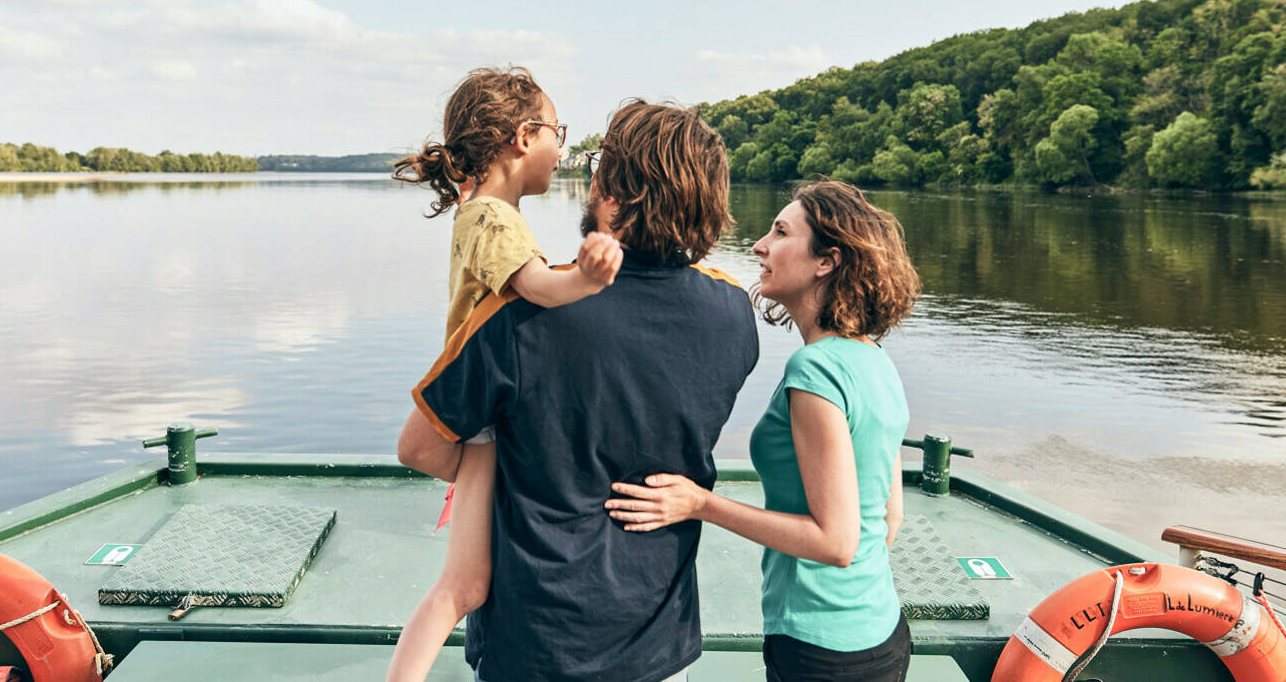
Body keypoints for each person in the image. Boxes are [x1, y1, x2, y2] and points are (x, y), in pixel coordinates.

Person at [396, 100, 758, 682]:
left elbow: (419, 449)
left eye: (597, 172)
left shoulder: (519, 316)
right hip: (658, 649)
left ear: (615, 198)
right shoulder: (735, 315)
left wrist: (491, 464)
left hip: (534, 648)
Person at [607, 180, 922, 682]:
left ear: (826, 261)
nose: (759, 245)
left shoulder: (814, 372)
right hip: (881, 631)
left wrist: (698, 504)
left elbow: (836, 543)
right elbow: (891, 516)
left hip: (821, 650)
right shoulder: (874, 359)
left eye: (780, 232)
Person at [385, 66, 625, 682]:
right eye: (557, 131)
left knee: (465, 585)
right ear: (524, 137)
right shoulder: (491, 218)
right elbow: (535, 287)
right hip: (485, 420)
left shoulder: (483, 210)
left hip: (480, 418)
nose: (562, 147)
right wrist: (588, 278)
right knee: (460, 587)